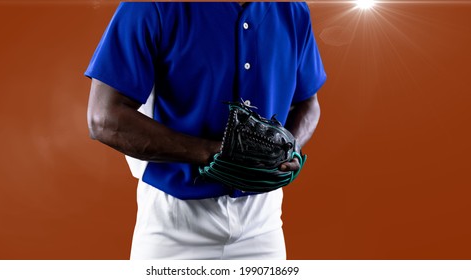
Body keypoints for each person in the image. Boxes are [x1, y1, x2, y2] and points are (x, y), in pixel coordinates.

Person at [85, 2, 326, 260]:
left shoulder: (292, 9)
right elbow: (104, 119)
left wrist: (290, 147)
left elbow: (308, 103)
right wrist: (215, 152)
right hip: (176, 223)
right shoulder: (152, 6)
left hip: (262, 223)